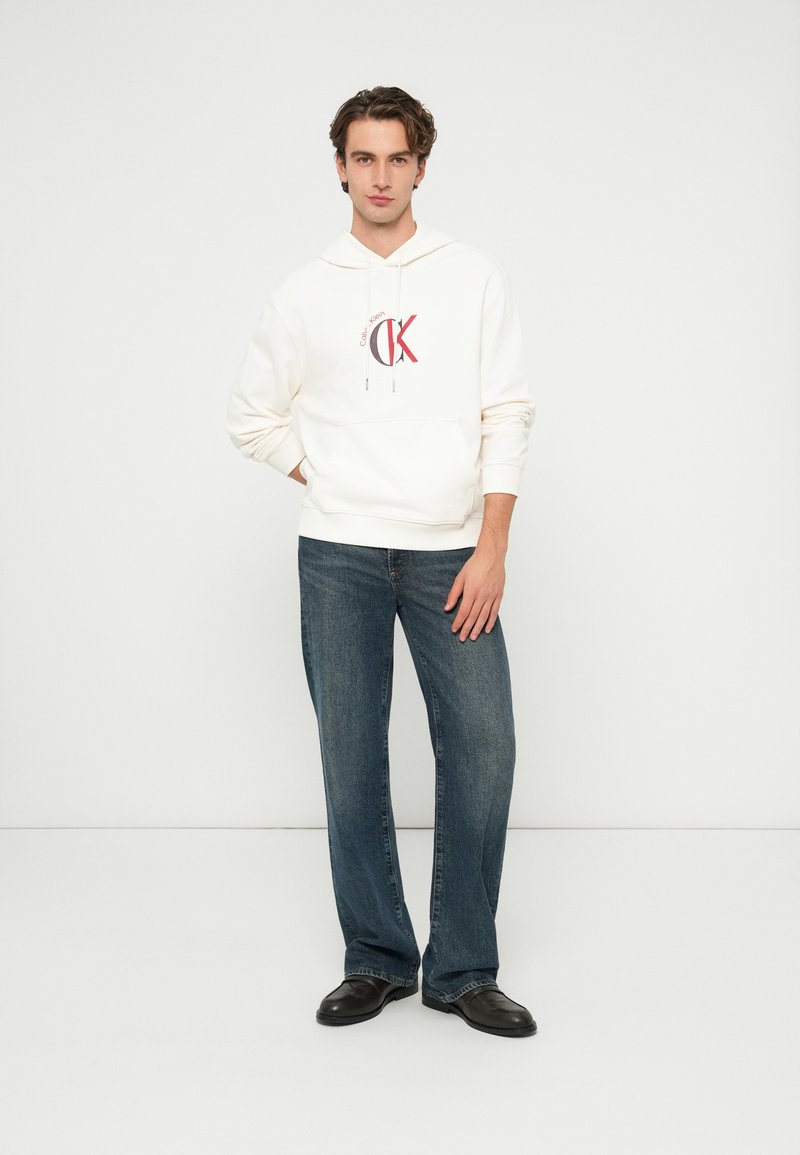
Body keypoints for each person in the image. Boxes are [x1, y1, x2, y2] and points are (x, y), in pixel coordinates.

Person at [226, 86, 537, 1038]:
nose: (380, 176)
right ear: (339, 167)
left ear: (421, 167)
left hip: (451, 553)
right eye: (363, 158)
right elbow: (252, 415)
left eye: (397, 158)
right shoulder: (304, 290)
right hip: (341, 555)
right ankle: (377, 956)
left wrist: (492, 545)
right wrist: (331, 475)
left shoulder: (470, 276)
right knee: (351, 756)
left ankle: (463, 966)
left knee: (483, 746)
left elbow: (506, 411)